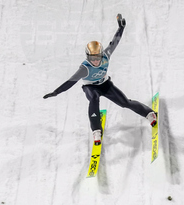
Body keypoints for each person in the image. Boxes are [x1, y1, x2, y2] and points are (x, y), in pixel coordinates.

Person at [43, 14, 157, 146]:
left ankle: (149, 113)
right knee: (94, 99)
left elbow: (115, 42)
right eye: (92, 58)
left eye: (97, 57)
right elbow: (70, 82)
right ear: (88, 57)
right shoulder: (84, 68)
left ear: (101, 54)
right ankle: (96, 130)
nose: (96, 61)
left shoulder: (106, 56)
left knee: (125, 102)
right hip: (91, 87)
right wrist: (56, 92)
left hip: (105, 84)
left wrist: (121, 28)